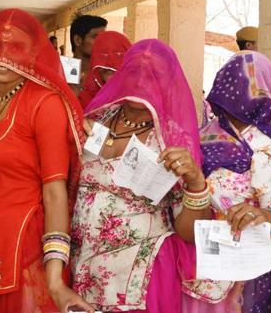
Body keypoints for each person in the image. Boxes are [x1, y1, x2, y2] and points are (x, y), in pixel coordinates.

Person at [0, 8, 91, 312]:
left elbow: (55, 192)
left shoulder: (44, 103)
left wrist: (55, 281)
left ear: (33, 53)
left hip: (23, 253)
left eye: (16, 47)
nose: (3, 55)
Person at [73, 39, 208, 313]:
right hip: (82, 266)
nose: (142, 81)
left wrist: (195, 182)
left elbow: (189, 231)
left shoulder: (171, 139)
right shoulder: (94, 120)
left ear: (168, 82)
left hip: (140, 276)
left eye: (153, 74)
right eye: (135, 72)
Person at [183, 50, 271, 313]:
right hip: (197, 258)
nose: (241, 93)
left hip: (243, 266)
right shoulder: (205, 134)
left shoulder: (270, 146)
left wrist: (263, 216)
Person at [77, 31, 131, 107]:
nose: (109, 62)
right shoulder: (85, 99)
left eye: (117, 54)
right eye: (103, 55)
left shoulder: (139, 101)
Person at [70, 15, 107, 95]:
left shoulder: (105, 76)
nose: (102, 42)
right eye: (95, 37)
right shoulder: (60, 74)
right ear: (78, 40)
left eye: (103, 37)